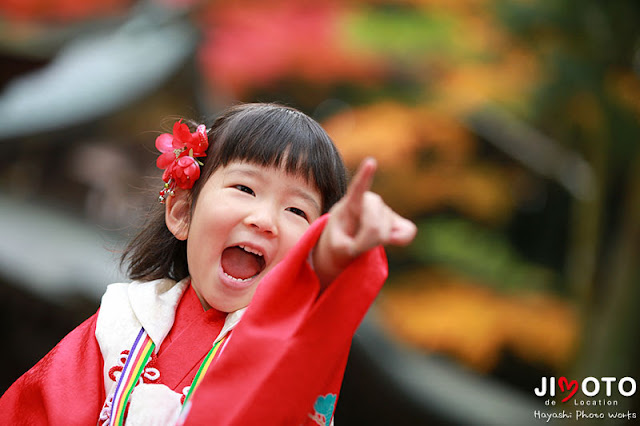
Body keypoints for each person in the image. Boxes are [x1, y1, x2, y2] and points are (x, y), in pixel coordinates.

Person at [0, 103, 416, 425]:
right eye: (244, 187)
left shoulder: (288, 348)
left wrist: (332, 257)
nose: (264, 220)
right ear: (182, 211)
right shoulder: (118, 324)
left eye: (296, 211)